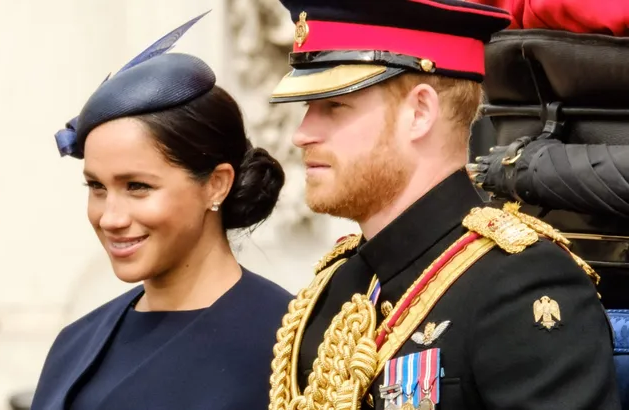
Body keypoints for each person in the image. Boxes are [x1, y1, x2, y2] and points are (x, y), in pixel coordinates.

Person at [265, 1, 621, 409]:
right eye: (308, 107)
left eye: (334, 106)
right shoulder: (337, 286)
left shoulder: (521, 287)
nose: (302, 134)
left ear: (419, 113)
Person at [29, 13, 292, 410]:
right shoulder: (75, 344)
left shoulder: (289, 345)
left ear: (216, 184)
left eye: (138, 187)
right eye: (97, 187)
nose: (110, 217)